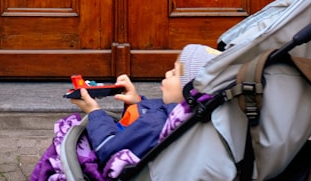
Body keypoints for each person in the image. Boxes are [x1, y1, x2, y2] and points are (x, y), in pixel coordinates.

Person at [70, 43, 219, 164]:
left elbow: (107, 149)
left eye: (174, 73)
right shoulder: (182, 119)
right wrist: (137, 103)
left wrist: (94, 113)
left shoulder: (155, 125)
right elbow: (156, 112)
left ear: (191, 93)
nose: (167, 73)